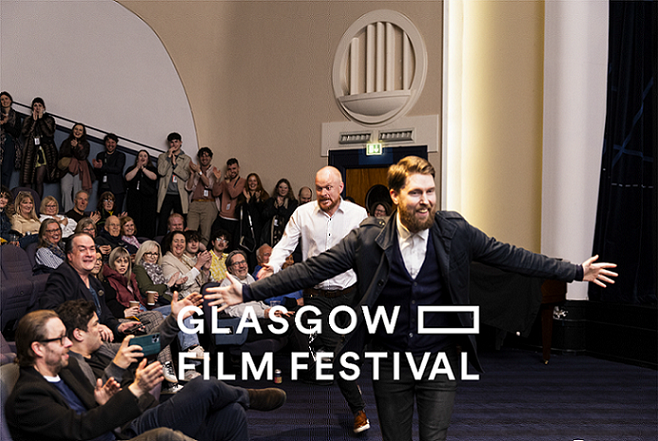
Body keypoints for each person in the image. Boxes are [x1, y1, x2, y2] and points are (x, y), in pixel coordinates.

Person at [209, 156, 619, 441]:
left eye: (431, 191)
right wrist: (247, 289)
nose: (426, 200)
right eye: (417, 192)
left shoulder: (455, 230)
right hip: (390, 359)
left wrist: (574, 271)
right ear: (395, 196)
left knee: (435, 436)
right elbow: (311, 269)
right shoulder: (368, 238)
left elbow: (510, 255)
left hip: (439, 357)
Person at [5, 308, 286, 441]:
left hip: (121, 424)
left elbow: (91, 409)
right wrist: (135, 389)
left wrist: (104, 399)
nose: (67, 343)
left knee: (231, 414)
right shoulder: (28, 396)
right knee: (167, 434)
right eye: (60, 339)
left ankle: (243, 399)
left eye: (67, 337)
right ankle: (248, 395)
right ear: (38, 348)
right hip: (117, 434)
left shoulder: (65, 369)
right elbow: (79, 429)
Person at [253, 165, 370, 433]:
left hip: (349, 294)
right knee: (337, 356)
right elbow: (285, 245)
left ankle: (354, 396)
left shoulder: (357, 215)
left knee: (345, 356)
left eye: (329, 187)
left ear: (340, 187)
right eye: (319, 188)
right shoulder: (302, 214)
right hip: (316, 294)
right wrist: (271, 266)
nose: (323, 193)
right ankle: (359, 408)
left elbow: (371, 249)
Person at [40, 232, 141, 341]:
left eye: (92, 249)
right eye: (82, 250)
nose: (89, 254)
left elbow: (105, 315)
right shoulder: (61, 277)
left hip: (101, 338)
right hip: (79, 343)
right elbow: (51, 313)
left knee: (145, 340)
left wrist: (118, 327)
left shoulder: (94, 282)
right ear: (70, 256)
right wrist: (90, 327)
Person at [99, 246, 175, 381]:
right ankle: (166, 367)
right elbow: (110, 304)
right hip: (124, 316)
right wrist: (124, 312)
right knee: (157, 317)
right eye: (118, 261)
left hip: (142, 311)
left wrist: (147, 300)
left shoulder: (130, 279)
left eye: (125, 261)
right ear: (112, 263)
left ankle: (162, 368)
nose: (122, 265)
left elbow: (139, 300)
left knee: (176, 310)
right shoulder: (109, 280)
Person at [20, 97, 58, 197]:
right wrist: (33, 121)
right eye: (35, 105)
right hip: (30, 152)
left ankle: (37, 204)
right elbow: (25, 133)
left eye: (40, 106)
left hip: (44, 152)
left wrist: (40, 120)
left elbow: (49, 133)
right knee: (28, 179)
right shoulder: (28, 119)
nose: (37, 108)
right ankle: (26, 203)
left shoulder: (49, 119)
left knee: (38, 179)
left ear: (44, 107)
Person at [157, 132, 191, 236]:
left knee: (180, 222)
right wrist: (168, 158)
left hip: (179, 195)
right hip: (166, 193)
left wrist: (175, 165)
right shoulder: (162, 157)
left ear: (180, 143)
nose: (174, 144)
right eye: (171, 142)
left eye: (176, 142)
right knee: (163, 221)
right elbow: (161, 172)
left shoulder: (186, 159)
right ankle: (161, 242)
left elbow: (186, 176)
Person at [134, 240, 187, 305]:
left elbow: (164, 288)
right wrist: (168, 285)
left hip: (168, 301)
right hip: (155, 305)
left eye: (155, 254)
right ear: (142, 255)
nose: (153, 256)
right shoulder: (139, 269)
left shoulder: (158, 269)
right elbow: (147, 290)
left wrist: (175, 284)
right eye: (149, 253)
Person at [161, 231, 211, 299]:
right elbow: (180, 284)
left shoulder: (185, 259)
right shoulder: (166, 260)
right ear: (170, 244)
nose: (179, 244)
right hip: (183, 299)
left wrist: (205, 269)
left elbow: (202, 283)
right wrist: (198, 266)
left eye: (182, 241)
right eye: (176, 241)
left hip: (200, 295)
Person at [186, 147, 219, 246]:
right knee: (190, 231)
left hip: (209, 204)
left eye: (207, 155)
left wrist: (199, 172)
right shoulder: (195, 170)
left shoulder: (214, 171)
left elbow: (210, 185)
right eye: (202, 155)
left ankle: (202, 254)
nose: (204, 157)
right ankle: (190, 254)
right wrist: (192, 174)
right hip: (194, 203)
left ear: (210, 158)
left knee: (205, 233)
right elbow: (188, 187)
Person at [58, 122, 94, 212]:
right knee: (65, 190)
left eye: (80, 130)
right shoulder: (66, 142)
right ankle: (68, 212)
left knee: (78, 193)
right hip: (67, 170)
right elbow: (62, 153)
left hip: (80, 171)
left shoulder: (86, 144)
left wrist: (76, 147)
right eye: (76, 129)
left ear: (83, 132)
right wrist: (72, 147)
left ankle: (76, 213)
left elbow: (82, 156)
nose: (77, 131)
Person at [211, 157, 245, 250]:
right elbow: (215, 193)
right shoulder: (224, 182)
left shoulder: (243, 182)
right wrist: (217, 180)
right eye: (229, 169)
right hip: (222, 217)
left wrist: (228, 182)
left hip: (234, 219)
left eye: (234, 168)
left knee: (230, 246)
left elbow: (233, 194)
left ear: (238, 168)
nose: (232, 171)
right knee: (215, 242)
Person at [235, 172, 269, 266]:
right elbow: (238, 213)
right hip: (245, 233)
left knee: (254, 258)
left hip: (257, 232)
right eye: (250, 181)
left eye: (254, 181)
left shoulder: (264, 196)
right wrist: (247, 201)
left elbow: (264, 215)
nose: (252, 183)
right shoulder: (242, 195)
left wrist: (257, 201)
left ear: (258, 183)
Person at [125, 149, 158, 239]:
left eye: (145, 156)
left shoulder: (152, 169)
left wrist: (143, 168)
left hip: (148, 199)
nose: (142, 158)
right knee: (135, 218)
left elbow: (154, 177)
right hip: (134, 199)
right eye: (140, 156)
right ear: (137, 158)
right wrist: (137, 167)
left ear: (148, 159)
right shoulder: (131, 169)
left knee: (147, 220)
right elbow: (128, 178)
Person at [93, 133, 126, 212]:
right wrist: (96, 168)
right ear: (105, 143)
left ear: (116, 144)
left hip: (117, 189)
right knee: (102, 212)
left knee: (116, 213)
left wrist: (102, 167)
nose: (110, 144)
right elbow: (98, 173)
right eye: (108, 142)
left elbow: (118, 169)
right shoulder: (100, 155)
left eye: (113, 142)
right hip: (103, 188)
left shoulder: (120, 155)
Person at [261, 178, 298, 247]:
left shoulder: (293, 203)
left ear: (289, 189)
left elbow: (289, 217)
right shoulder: (270, 201)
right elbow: (264, 215)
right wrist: (275, 208)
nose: (283, 190)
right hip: (269, 237)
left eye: (285, 188)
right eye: (280, 187)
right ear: (277, 189)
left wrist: (281, 207)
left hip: (286, 236)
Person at [1, 91, 22, 188]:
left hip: (10, 145)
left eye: (6, 98)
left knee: (6, 171)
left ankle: (3, 196)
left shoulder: (16, 115)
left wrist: (5, 124)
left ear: (10, 100)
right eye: (2, 99)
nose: (4, 101)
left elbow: (17, 133)